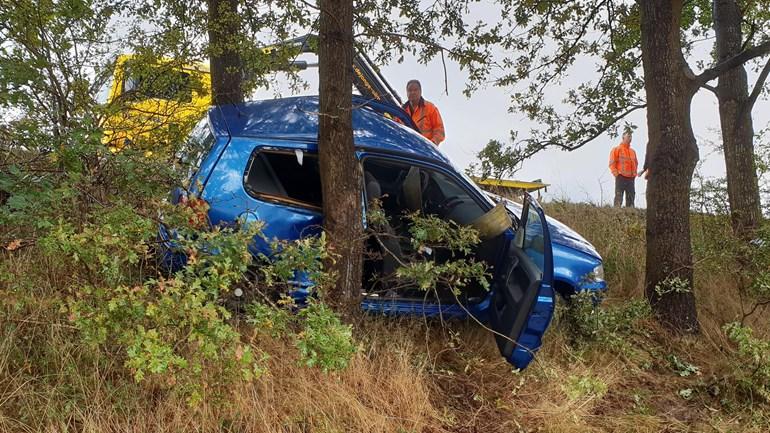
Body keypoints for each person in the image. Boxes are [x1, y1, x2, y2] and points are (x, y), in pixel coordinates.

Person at [402, 79, 445, 146]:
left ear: (420, 91)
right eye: (410, 90)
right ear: (407, 93)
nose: (412, 92)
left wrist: (432, 144)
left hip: (425, 151)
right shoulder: (402, 111)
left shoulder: (430, 108)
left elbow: (439, 130)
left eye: (415, 90)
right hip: (406, 150)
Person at [608, 131, 639, 207]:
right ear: (623, 137)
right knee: (619, 196)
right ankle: (616, 212)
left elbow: (636, 163)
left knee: (631, 198)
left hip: (631, 178)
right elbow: (612, 163)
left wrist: (634, 174)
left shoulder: (633, 151)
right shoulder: (616, 149)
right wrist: (616, 174)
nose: (630, 138)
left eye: (631, 137)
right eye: (628, 136)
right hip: (620, 177)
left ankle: (630, 213)